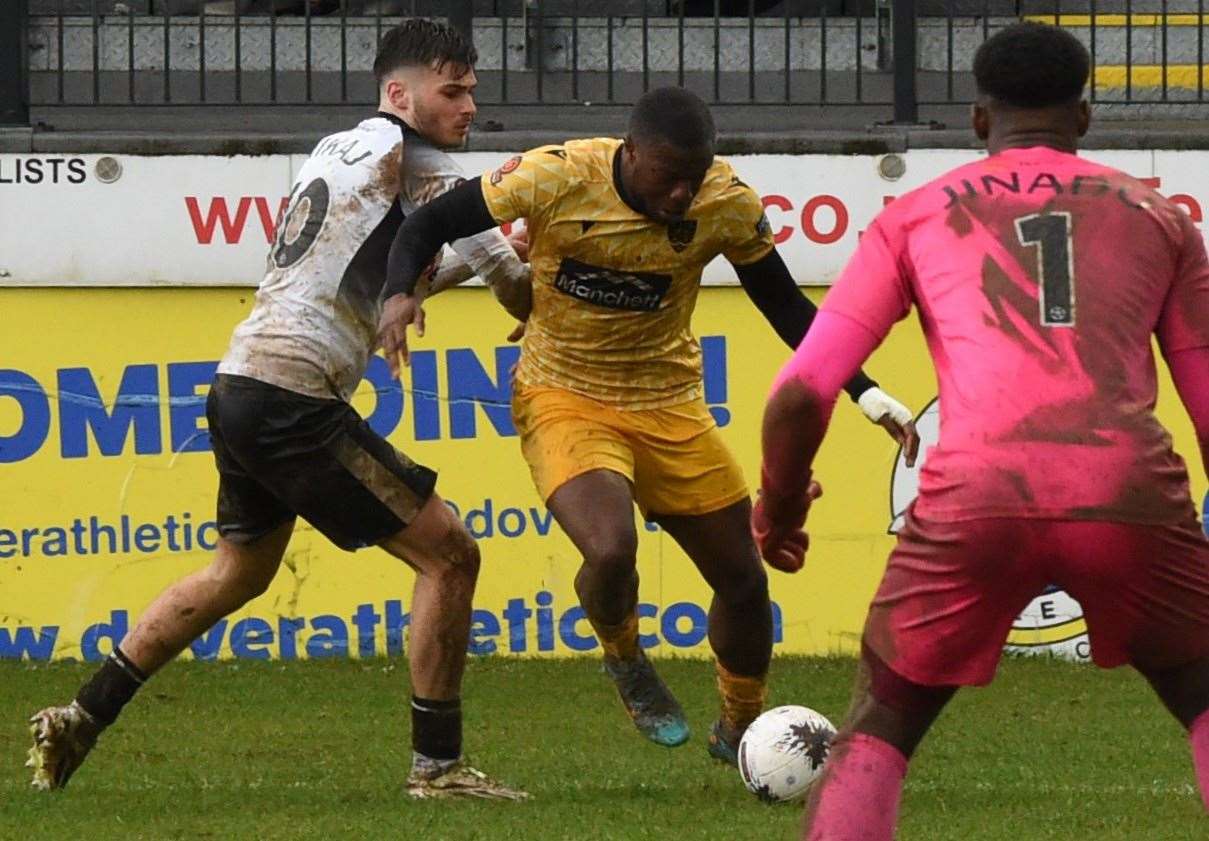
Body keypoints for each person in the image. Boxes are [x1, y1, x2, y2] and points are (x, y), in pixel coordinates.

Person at [27, 19, 530, 801]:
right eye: (452, 90)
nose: (469, 106)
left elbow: (373, 287)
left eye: (471, 90)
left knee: (240, 570)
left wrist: (467, 268)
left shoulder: (339, 148)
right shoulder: (421, 160)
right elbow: (510, 281)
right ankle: (438, 768)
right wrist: (550, 265)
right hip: (294, 397)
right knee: (450, 553)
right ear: (400, 94)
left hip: (241, 383)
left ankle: (83, 714)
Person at [753, 22, 1209, 839]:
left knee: (881, 721)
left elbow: (800, 393)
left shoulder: (914, 217)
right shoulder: (1160, 217)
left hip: (974, 493)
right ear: (1083, 117)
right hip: (1125, 491)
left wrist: (779, 508)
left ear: (975, 119)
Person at [376, 85, 920, 763]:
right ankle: (625, 655)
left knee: (744, 583)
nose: (680, 198)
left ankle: (739, 725)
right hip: (562, 393)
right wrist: (399, 293)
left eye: (692, 181)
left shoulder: (725, 203)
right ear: (630, 153)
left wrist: (865, 393)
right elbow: (428, 223)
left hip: (668, 402)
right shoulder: (557, 174)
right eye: (667, 179)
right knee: (609, 549)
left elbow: (785, 308)